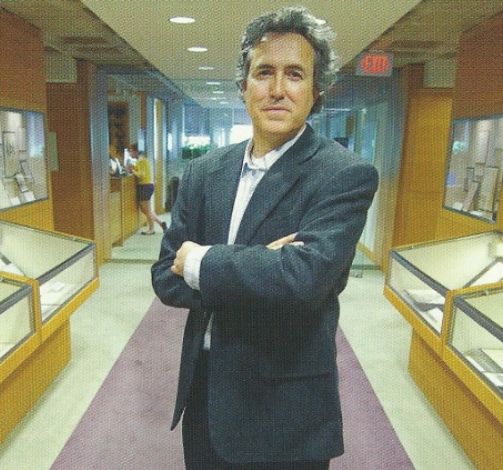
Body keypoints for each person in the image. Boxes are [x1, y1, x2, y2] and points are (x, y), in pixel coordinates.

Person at [151, 6, 379, 469]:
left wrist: (201, 264)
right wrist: (261, 267)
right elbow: (164, 276)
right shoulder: (202, 173)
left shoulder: (344, 176)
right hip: (206, 394)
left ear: (316, 91)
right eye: (264, 73)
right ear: (243, 88)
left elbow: (303, 280)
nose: (277, 89)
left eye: (294, 74)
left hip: (284, 407)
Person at [126, 144, 167, 234]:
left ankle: (151, 229)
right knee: (144, 209)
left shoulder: (141, 161)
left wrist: (132, 170)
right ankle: (160, 223)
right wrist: (133, 168)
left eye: (131, 151)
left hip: (144, 186)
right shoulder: (141, 160)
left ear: (136, 151)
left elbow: (141, 175)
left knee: (146, 210)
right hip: (146, 186)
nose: (130, 153)